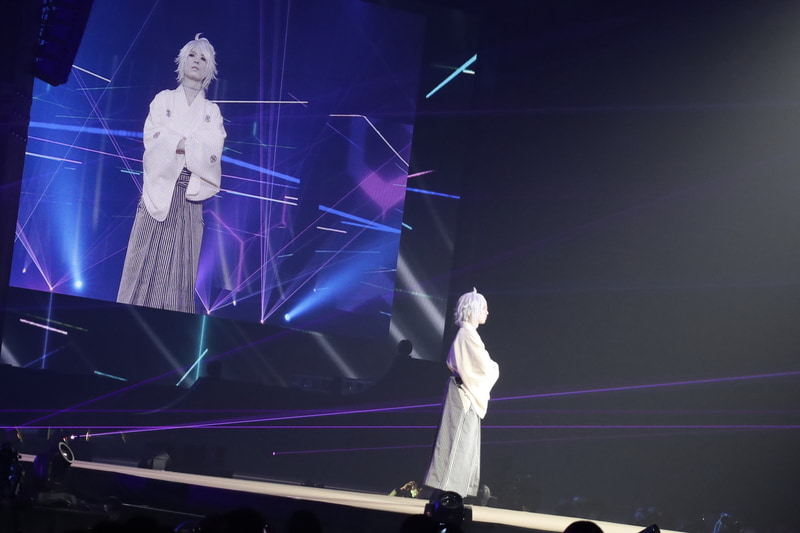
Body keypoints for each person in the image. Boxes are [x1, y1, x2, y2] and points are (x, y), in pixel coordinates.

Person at [117, 34, 226, 313]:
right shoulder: (163, 99)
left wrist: (178, 142)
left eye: (203, 58)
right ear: (182, 61)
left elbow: (212, 148)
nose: (196, 61)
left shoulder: (212, 112)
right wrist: (189, 145)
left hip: (189, 196)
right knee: (142, 262)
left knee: (180, 271)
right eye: (192, 55)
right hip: (158, 191)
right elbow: (154, 137)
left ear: (209, 68)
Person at [423, 288, 499, 498]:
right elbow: (483, 367)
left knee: (464, 442)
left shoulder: (470, 334)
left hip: (467, 391)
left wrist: (492, 367)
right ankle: (446, 490)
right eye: (483, 308)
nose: (487, 312)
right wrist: (494, 368)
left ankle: (454, 491)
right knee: (456, 441)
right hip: (463, 392)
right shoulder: (466, 335)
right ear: (473, 310)